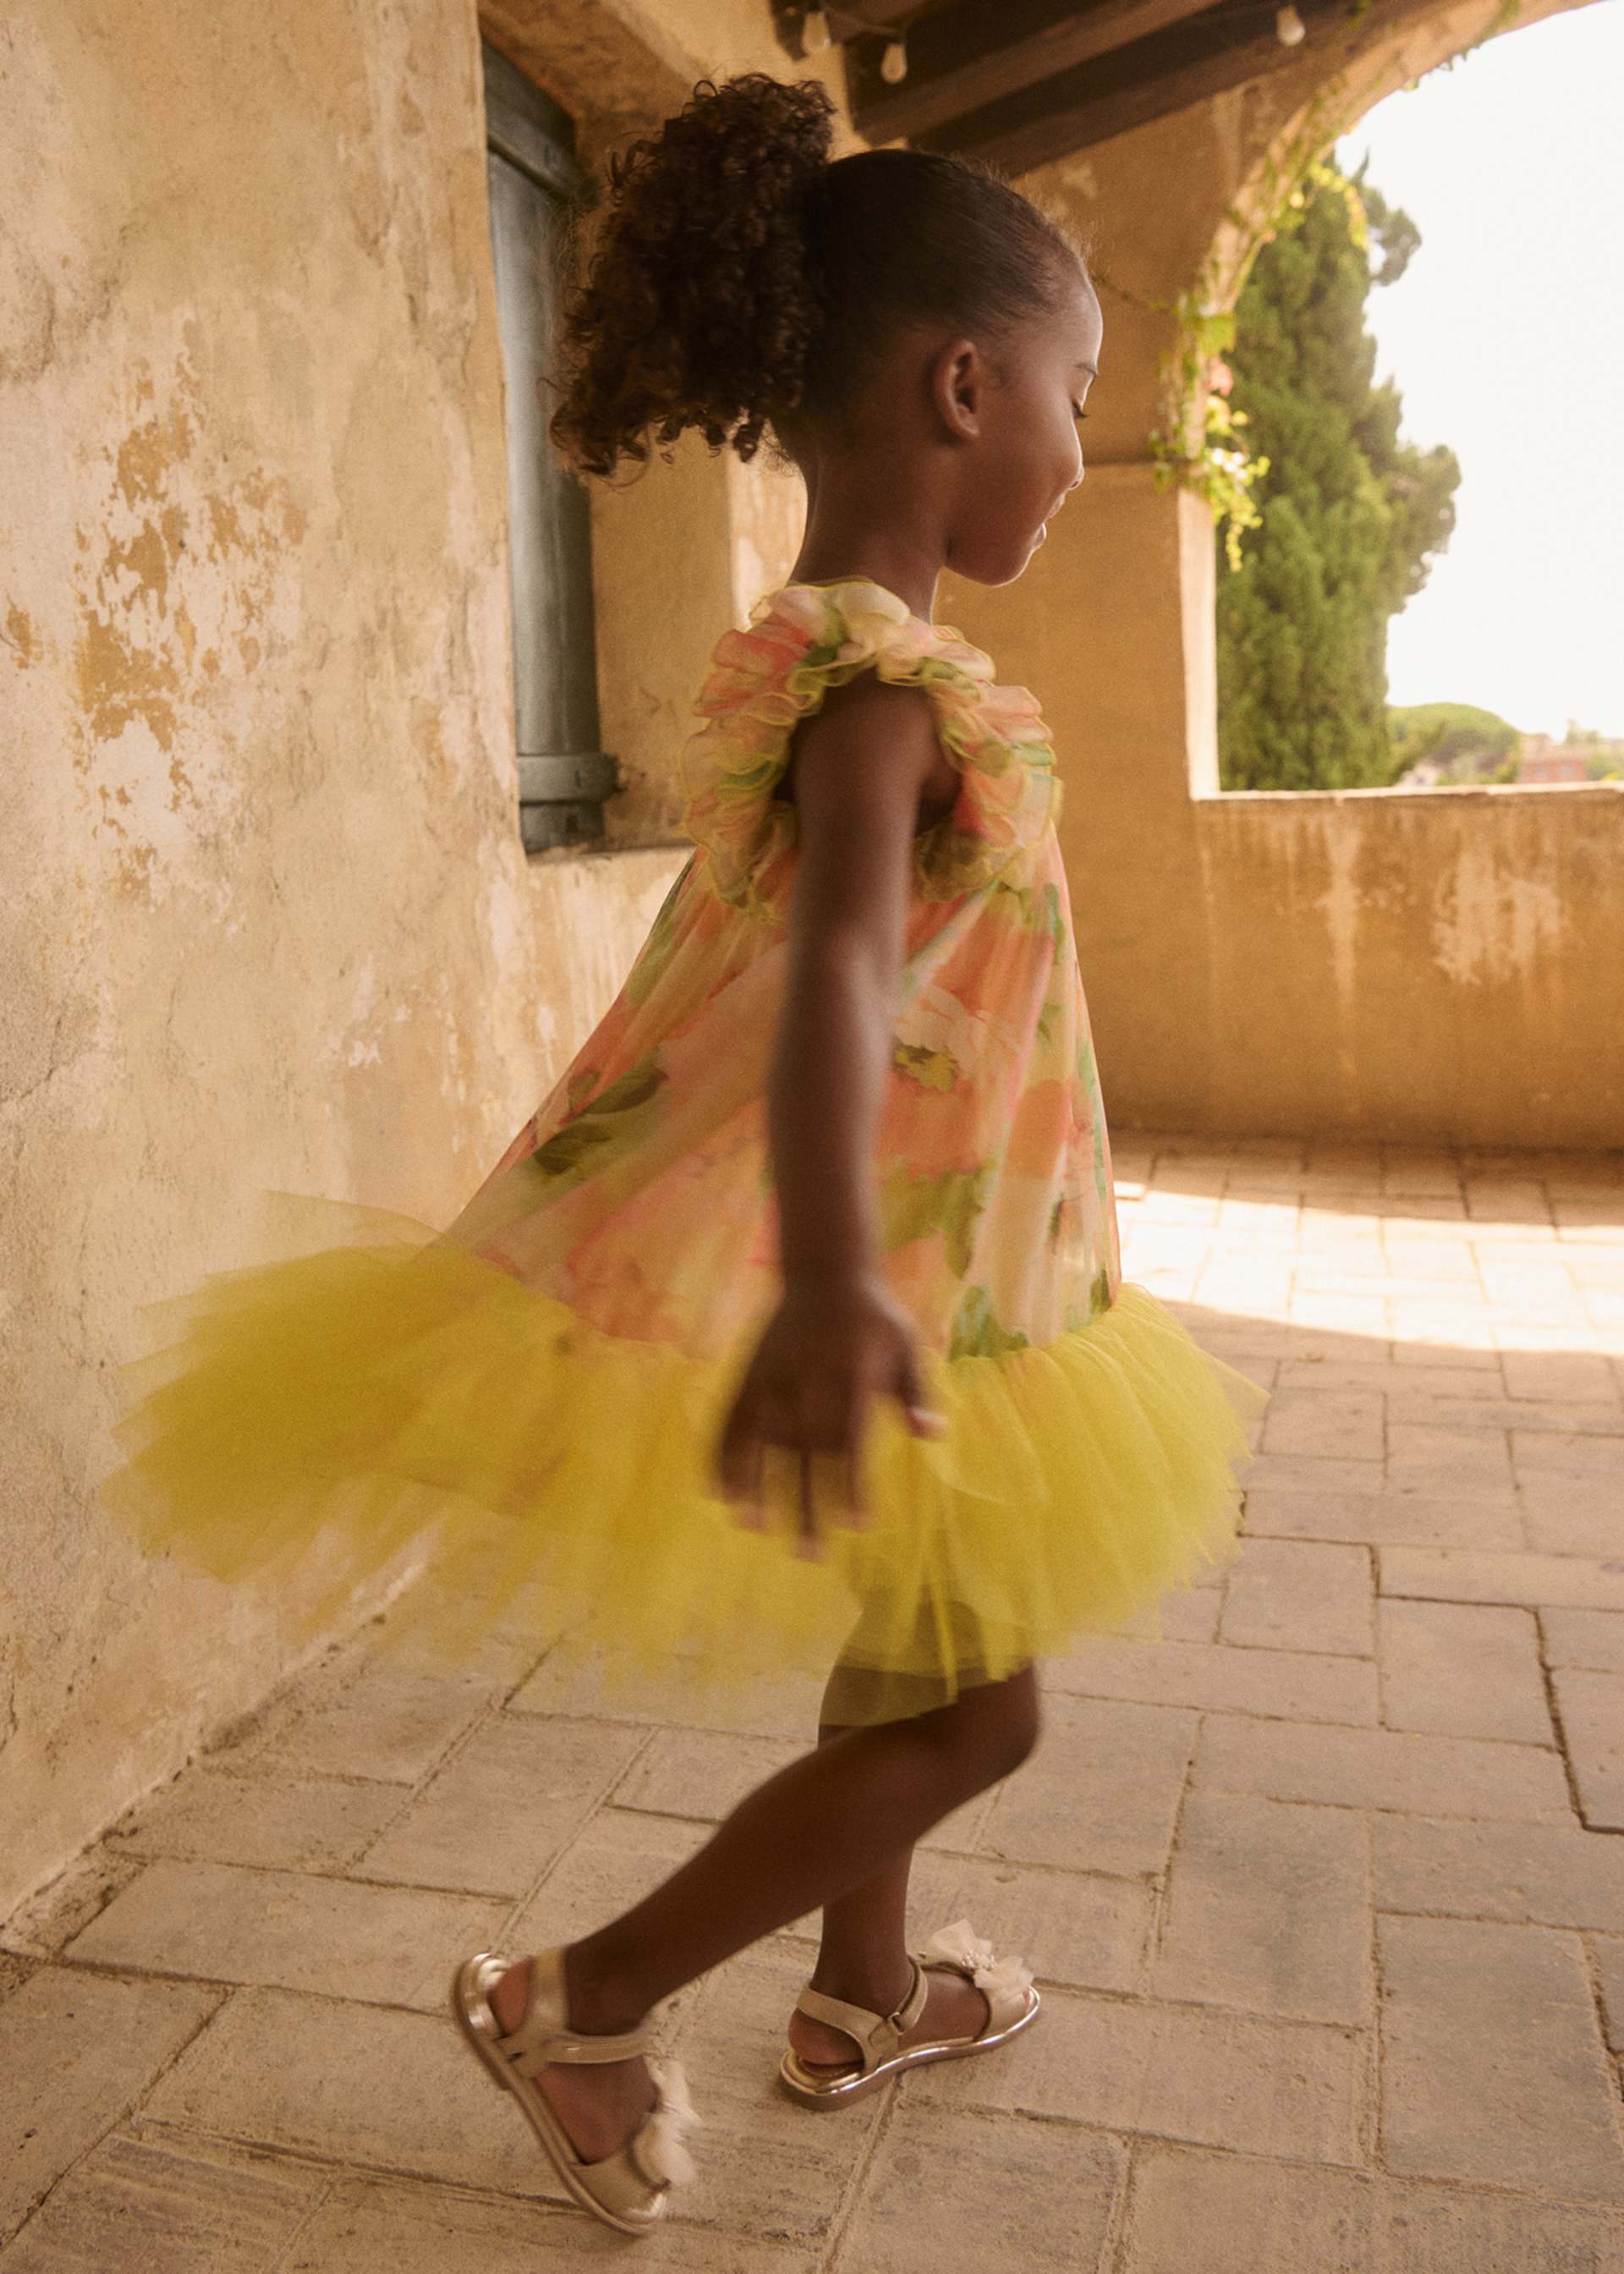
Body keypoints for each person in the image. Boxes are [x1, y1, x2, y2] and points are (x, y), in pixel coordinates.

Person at [100, 71, 1267, 2240]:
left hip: (962, 1291)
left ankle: (864, 1990)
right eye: (1075, 393)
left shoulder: (824, 666)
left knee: (916, 1641)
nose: (1081, 444)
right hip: (908, 1284)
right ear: (961, 382)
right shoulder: (883, 700)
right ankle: (590, 1996)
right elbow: (833, 978)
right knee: (982, 1715)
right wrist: (829, 1281)